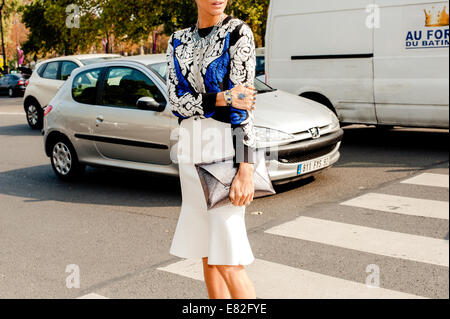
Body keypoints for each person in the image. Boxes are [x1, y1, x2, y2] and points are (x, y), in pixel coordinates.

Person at [166, 0, 258, 299]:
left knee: (229, 257)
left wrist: (246, 168)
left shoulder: (237, 32)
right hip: (190, 149)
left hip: (224, 151)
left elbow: (243, 106)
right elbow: (175, 102)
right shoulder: (177, 39)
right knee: (207, 251)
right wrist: (221, 97)